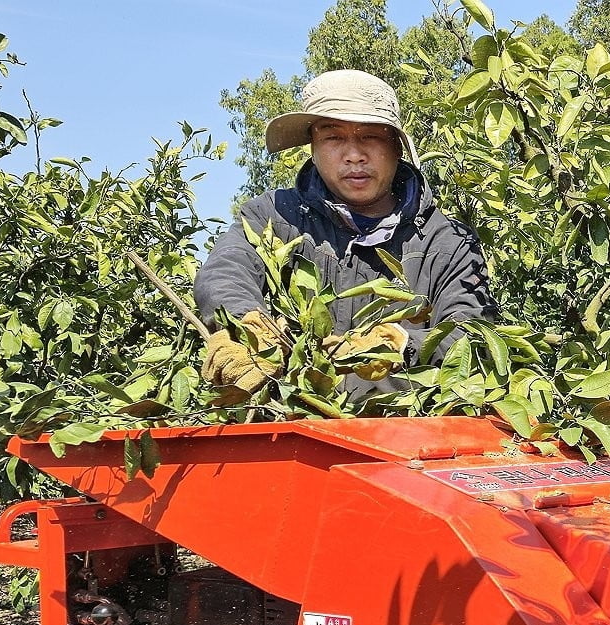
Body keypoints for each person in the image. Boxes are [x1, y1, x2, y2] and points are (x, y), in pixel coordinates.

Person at [195, 69, 496, 397]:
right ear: (313, 146)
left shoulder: (448, 243)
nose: (354, 155)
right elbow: (226, 272)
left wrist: (401, 344)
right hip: (287, 430)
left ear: (396, 146)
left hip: (404, 436)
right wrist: (247, 327)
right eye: (334, 137)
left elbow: (472, 334)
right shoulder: (272, 216)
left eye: (371, 136)